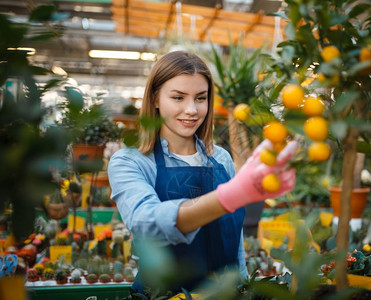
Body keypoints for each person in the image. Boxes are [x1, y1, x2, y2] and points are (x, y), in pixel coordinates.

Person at [108, 51, 299, 293]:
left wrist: (243, 285)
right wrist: (228, 197)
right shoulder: (130, 161)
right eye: (178, 97)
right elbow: (145, 223)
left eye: (201, 98)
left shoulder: (220, 159)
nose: (192, 110)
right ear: (155, 99)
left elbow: (233, 241)